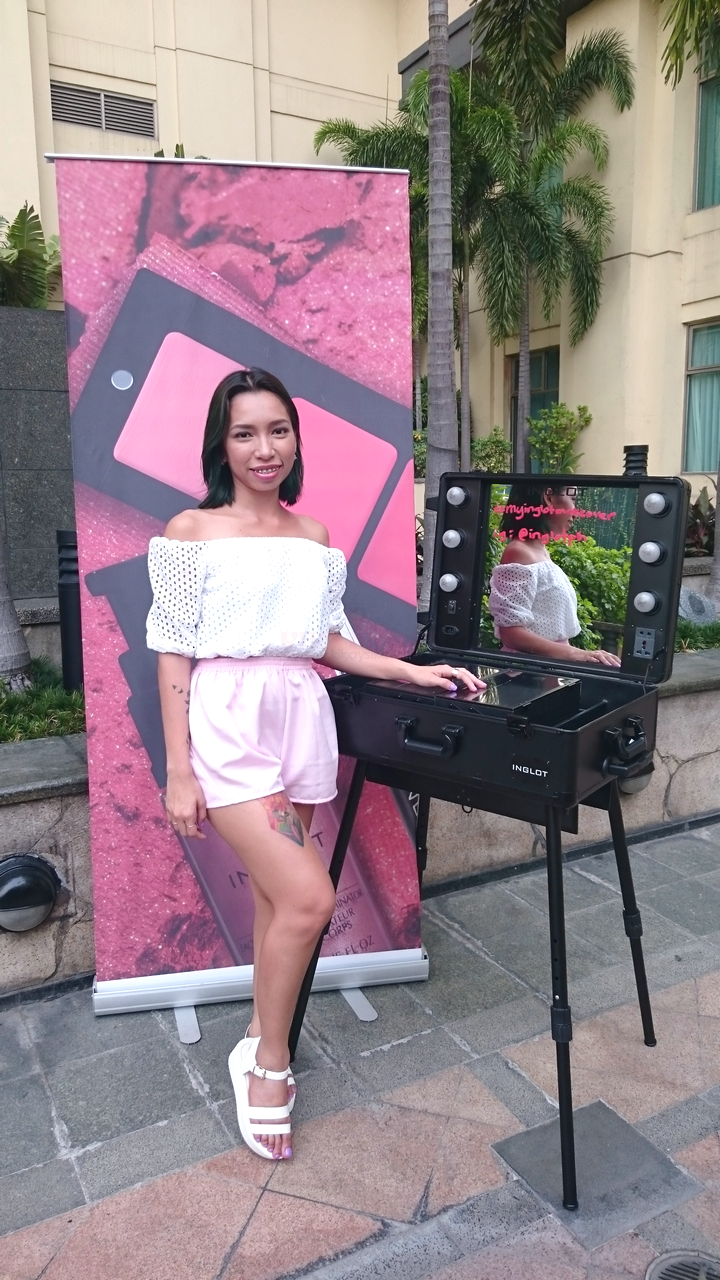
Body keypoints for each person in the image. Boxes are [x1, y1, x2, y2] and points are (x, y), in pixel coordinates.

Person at [146, 367, 484, 1162]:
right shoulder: (191, 529)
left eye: (278, 430)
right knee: (310, 896)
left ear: (296, 439)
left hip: (299, 715)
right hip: (227, 721)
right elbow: (172, 649)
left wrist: (409, 673)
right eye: (244, 433)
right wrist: (178, 770)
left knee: (279, 898)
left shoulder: (313, 536)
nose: (263, 448)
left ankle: (259, 1034)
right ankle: (269, 1063)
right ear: (221, 445)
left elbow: (324, 639)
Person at [488, 482, 621, 667]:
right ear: (549, 497)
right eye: (572, 499)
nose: (575, 511)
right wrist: (577, 654)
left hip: (545, 672)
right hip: (527, 675)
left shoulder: (540, 551)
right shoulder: (519, 552)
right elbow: (511, 634)